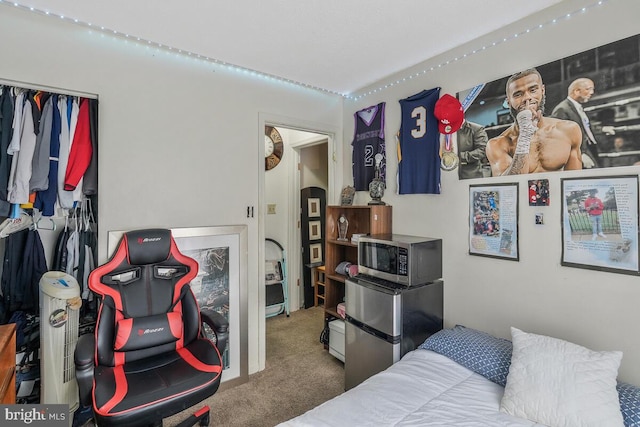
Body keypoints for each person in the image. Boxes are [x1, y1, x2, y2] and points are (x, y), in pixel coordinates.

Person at [486, 69, 583, 176]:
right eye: (518, 94)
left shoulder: (569, 130)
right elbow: (508, 188)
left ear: (542, 90)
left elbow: (573, 182)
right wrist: (524, 137)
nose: (527, 98)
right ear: (509, 102)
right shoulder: (497, 144)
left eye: (533, 90)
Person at [550, 77, 600, 168]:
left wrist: (602, 128)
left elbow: (584, 127)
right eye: (588, 89)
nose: (592, 92)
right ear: (577, 91)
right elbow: (561, 138)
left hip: (590, 148)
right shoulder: (562, 109)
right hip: (579, 153)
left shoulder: (577, 107)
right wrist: (580, 154)